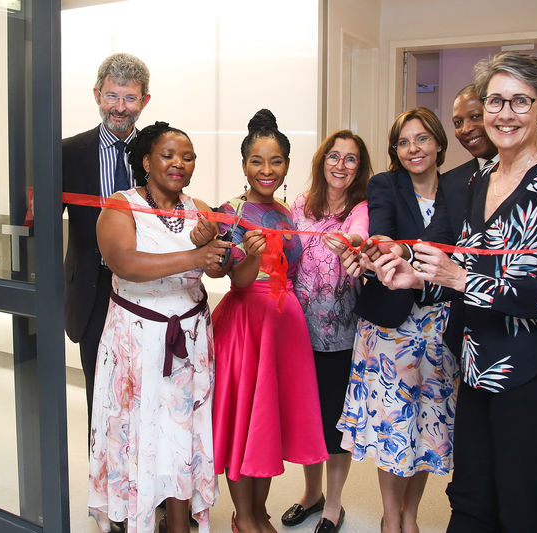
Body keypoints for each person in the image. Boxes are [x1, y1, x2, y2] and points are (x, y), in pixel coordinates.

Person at [372, 52, 537, 533]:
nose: (505, 114)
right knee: (471, 502)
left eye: (521, 101)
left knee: (520, 510)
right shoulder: (478, 179)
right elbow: (460, 270)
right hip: (478, 366)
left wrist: (461, 279)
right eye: (496, 101)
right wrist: (417, 278)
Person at [88, 122, 230, 533]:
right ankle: (135, 517)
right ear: (147, 160)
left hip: (189, 340)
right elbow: (124, 263)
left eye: (187, 157)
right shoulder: (121, 204)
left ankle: (180, 523)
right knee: (141, 431)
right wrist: (196, 254)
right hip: (137, 341)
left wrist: (217, 249)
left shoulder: (199, 207)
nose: (178, 163)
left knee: (182, 432)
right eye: (168, 154)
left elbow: (217, 271)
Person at [336, 107, 458, 533]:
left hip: (439, 323)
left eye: (422, 138)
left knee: (425, 426)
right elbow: (382, 234)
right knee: (393, 425)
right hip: (391, 327)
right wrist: (392, 251)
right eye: (404, 142)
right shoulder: (385, 184)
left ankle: (411, 517)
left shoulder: (460, 188)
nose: (413, 148)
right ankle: (391, 518)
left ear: (439, 143)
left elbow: (462, 253)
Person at [211, 109, 328, 533]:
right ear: (244, 165)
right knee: (245, 423)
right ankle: (244, 515)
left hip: (285, 327)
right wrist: (255, 253)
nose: (266, 170)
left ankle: (259, 512)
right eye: (257, 161)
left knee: (266, 426)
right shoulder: (230, 212)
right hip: (248, 325)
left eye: (275, 161)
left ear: (287, 166)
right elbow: (235, 279)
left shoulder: (287, 212)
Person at [281, 131, 372, 533]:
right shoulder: (301, 204)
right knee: (308, 420)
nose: (340, 165)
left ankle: (333, 506)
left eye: (350, 159)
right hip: (299, 331)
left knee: (336, 426)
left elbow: (360, 234)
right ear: (322, 161)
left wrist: (350, 242)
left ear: (360, 167)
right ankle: (311, 494)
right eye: (334, 157)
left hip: (341, 337)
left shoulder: (362, 206)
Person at [62, 53, 150, 453]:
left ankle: (150, 489)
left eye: (130, 98)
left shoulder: (159, 152)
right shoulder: (67, 152)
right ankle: (107, 493)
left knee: (147, 393)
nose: (120, 108)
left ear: (145, 101)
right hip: (94, 290)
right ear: (97, 95)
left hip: (148, 290)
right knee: (101, 394)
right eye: (112, 96)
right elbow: (42, 222)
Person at [425, 85, 499, 357]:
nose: (466, 128)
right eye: (458, 122)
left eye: (475, 116)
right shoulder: (453, 181)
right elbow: (437, 241)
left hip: (523, 331)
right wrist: (399, 252)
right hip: (468, 330)